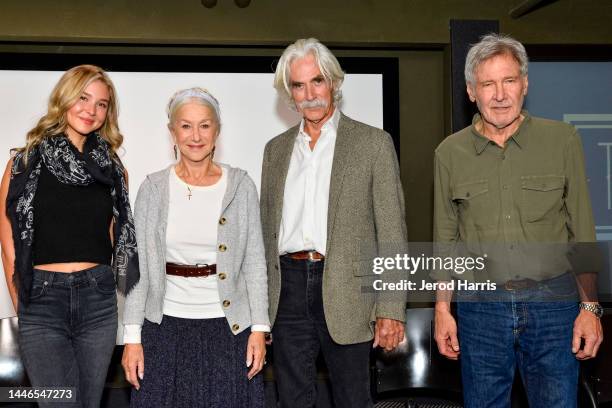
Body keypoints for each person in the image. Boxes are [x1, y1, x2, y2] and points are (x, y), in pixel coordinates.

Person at [432, 33, 604, 407]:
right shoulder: (449, 153)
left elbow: (582, 231)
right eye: (488, 84)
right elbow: (445, 238)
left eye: (509, 80)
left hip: (554, 305)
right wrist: (442, 310)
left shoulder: (562, 140)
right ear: (471, 91)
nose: (500, 94)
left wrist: (589, 309)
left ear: (525, 83)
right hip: (479, 308)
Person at [260, 38, 408, 408]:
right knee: (292, 401)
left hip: (349, 291)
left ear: (334, 83)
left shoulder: (373, 143)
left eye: (317, 81)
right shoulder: (275, 150)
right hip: (288, 291)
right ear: (288, 93)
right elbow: (266, 233)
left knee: (353, 400)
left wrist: (390, 308)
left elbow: (391, 232)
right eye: (298, 85)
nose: (309, 94)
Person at [0, 64, 139, 408]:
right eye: (82, 97)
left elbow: (113, 238)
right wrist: (24, 304)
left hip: (98, 301)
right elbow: (8, 242)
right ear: (64, 99)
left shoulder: (113, 169)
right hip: (43, 299)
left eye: (102, 104)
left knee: (88, 403)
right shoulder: (23, 163)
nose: (90, 110)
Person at [121, 87, 269, 408]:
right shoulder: (152, 188)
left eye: (204, 125)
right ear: (172, 132)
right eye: (186, 125)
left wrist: (259, 328)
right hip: (163, 330)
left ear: (217, 130)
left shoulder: (241, 186)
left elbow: (255, 262)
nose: (196, 136)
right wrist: (132, 338)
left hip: (229, 330)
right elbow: (137, 267)